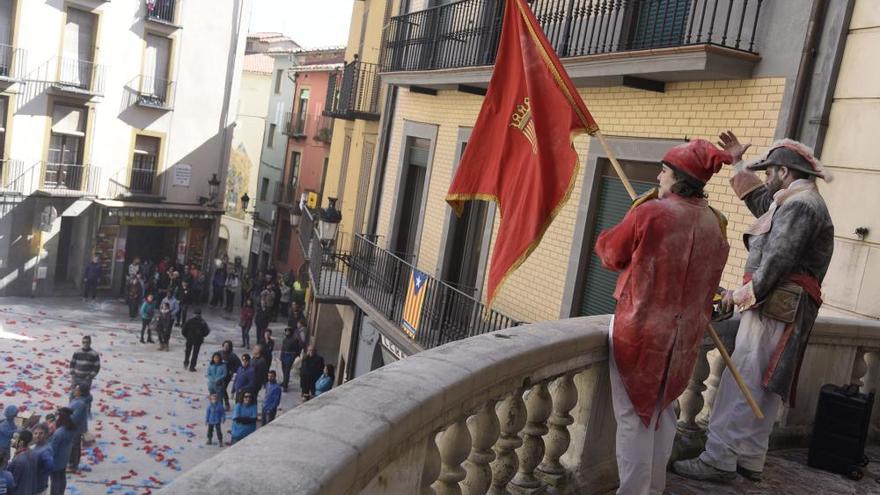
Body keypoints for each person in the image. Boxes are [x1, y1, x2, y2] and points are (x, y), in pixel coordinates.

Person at [673, 135, 835, 483]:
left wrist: (739, 295)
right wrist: (737, 163)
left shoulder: (801, 206)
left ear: (784, 172)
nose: (767, 178)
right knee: (762, 384)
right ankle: (750, 458)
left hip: (776, 306)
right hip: (783, 307)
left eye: (770, 172)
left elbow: (777, 261)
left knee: (744, 379)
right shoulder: (795, 200)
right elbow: (761, 200)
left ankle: (718, 459)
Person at [594, 139, 731, 495]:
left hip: (640, 334)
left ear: (677, 178)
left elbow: (610, 254)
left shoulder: (650, 213)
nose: (658, 175)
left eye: (664, 171)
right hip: (684, 341)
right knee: (663, 417)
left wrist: (630, 220)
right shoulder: (715, 223)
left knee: (634, 420)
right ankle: (653, 489)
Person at [48, 408, 76, 495]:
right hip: (65, 457)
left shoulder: (59, 433)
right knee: (62, 478)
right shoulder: (71, 428)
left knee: (55, 480)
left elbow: (53, 449)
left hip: (56, 460)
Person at [68, 384, 90, 473]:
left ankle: (73, 465)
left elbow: (74, 418)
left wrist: (64, 416)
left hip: (75, 429)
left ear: (80, 392)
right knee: (75, 446)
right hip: (76, 428)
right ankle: (73, 464)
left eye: (77, 389)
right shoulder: (78, 401)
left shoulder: (79, 403)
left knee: (74, 447)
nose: (74, 390)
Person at [7, 429, 37, 495]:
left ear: (21, 442)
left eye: (16, 439)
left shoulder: (18, 459)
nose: (14, 441)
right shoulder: (33, 455)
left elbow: (12, 482)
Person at [31, 423, 54, 495]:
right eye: (35, 433)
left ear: (46, 435)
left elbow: (50, 466)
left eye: (41, 433)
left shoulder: (45, 451)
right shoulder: (36, 446)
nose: (38, 436)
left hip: (39, 485)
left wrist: (41, 473)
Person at [219, 341, 241, 410]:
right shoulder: (219, 353)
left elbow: (238, 365)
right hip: (219, 374)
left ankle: (226, 403)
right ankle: (219, 402)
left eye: (227, 346)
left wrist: (232, 371)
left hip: (227, 375)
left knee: (223, 388)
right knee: (219, 388)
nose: (225, 347)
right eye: (224, 346)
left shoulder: (232, 356)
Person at [279, 327, 302, 392]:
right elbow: (283, 348)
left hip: (290, 356)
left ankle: (285, 386)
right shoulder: (285, 339)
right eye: (286, 331)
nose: (287, 333)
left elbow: (297, 349)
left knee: (287, 371)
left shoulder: (294, 340)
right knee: (283, 370)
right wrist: (281, 356)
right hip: (284, 355)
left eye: (288, 331)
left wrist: (294, 356)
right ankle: (284, 381)